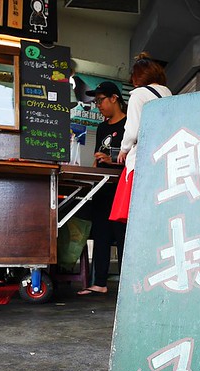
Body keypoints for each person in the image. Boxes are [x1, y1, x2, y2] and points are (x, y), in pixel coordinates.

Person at [77, 81, 127, 297]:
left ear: (114, 98)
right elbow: (98, 156)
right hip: (102, 187)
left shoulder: (130, 125)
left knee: (123, 235)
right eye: (95, 102)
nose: (98, 105)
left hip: (121, 188)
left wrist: (112, 159)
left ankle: (127, 285)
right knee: (101, 234)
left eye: (100, 100)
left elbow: (136, 157)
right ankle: (99, 282)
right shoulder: (102, 127)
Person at [111, 52, 171, 221]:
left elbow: (133, 128)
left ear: (137, 77)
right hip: (163, 156)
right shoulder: (167, 92)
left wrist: (124, 150)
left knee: (134, 212)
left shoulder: (139, 94)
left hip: (143, 156)